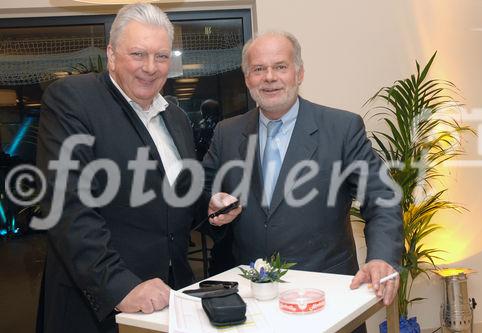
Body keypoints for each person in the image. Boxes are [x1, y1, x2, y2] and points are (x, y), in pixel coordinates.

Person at [203, 31, 403, 328]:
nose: (269, 77)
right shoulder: (227, 133)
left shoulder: (342, 128)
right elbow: (203, 191)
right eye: (259, 69)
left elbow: (381, 198)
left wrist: (381, 257)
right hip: (251, 302)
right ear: (247, 79)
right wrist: (212, 205)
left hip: (328, 297)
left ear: (299, 73)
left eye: (280, 67)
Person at [36, 4, 214, 333]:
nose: (150, 67)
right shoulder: (73, 99)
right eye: (138, 54)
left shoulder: (175, 116)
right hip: (98, 307)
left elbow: (177, 195)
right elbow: (67, 205)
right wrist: (121, 286)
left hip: (168, 300)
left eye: (161, 56)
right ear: (112, 55)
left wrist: (209, 206)